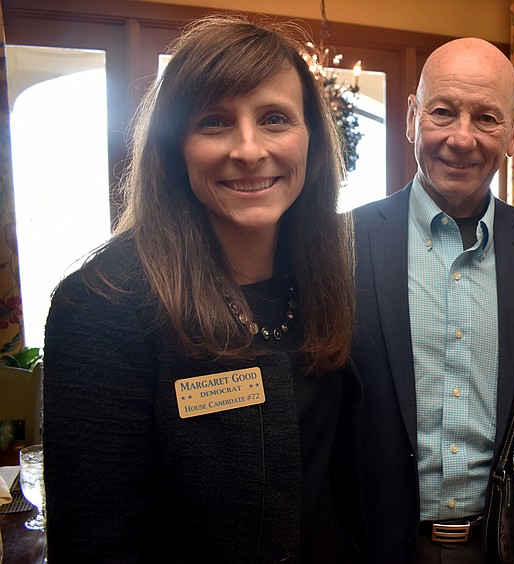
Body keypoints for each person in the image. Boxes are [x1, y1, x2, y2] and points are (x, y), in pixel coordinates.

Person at [42, 15, 362, 563]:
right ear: (175, 148)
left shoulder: (327, 275)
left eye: (275, 119)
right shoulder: (102, 304)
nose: (248, 148)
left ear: (310, 137)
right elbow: (97, 546)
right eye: (214, 122)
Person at [351, 37, 514, 563]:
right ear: (412, 117)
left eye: (486, 118)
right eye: (443, 112)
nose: (462, 139)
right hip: (376, 546)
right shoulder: (343, 245)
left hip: (506, 546)